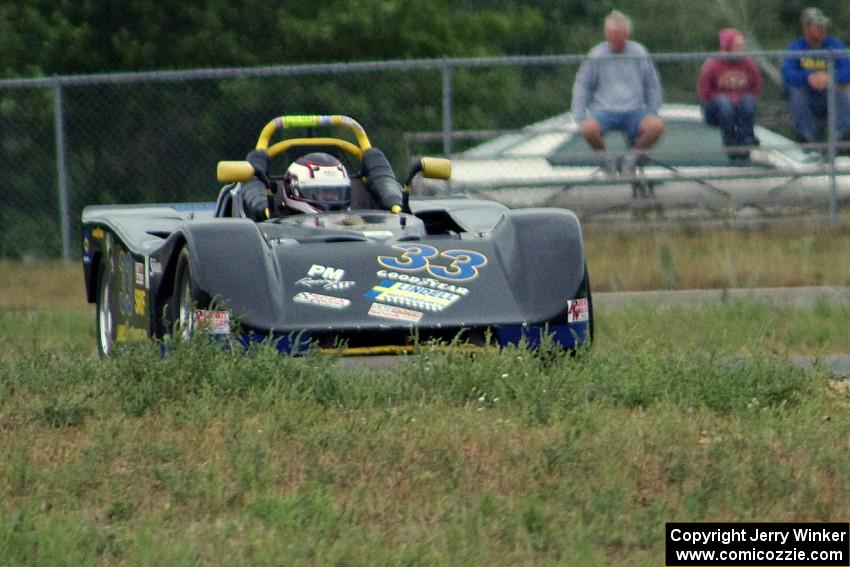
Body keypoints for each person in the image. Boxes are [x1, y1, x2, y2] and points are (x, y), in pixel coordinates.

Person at [571, 9, 665, 177]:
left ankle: (632, 158)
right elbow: (582, 85)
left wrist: (653, 111)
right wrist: (579, 115)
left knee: (656, 127)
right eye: (610, 33)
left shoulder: (639, 53)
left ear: (626, 35)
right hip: (603, 110)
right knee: (587, 129)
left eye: (617, 33)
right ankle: (607, 161)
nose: (613, 37)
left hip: (635, 110)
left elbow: (652, 85)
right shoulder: (596, 55)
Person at [241, 148, 403, 221]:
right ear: (295, 190)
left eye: (336, 193)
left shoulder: (358, 223)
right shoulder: (272, 229)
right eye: (323, 193)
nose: (331, 199)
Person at [780, 7, 850, 147]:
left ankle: (842, 137)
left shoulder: (834, 45)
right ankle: (807, 139)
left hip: (829, 94)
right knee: (796, 91)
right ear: (806, 28)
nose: (823, 29)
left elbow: (847, 67)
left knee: (844, 91)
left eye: (823, 26)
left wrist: (830, 77)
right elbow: (787, 74)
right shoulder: (796, 48)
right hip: (807, 96)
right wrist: (809, 78)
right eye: (818, 26)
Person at [698, 28, 762, 163]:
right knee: (724, 103)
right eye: (737, 46)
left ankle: (746, 140)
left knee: (748, 100)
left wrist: (738, 99)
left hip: (741, 105)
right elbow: (704, 92)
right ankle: (730, 142)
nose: (741, 49)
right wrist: (728, 98)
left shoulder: (748, 63)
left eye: (742, 46)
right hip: (716, 107)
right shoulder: (712, 64)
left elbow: (756, 86)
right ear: (728, 47)